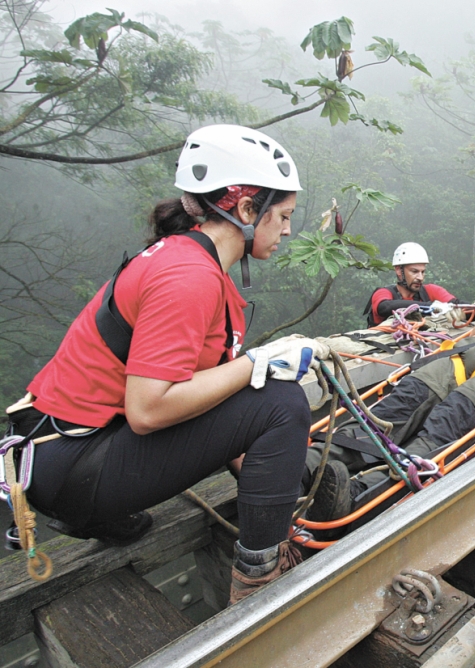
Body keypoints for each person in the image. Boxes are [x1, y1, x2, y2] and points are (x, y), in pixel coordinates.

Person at [6, 124, 333, 603]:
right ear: (246, 209)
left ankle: (101, 514)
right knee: (281, 400)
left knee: (250, 388)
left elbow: (206, 391)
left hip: (64, 451)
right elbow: (149, 410)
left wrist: (271, 481)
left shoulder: (190, 262)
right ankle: (262, 580)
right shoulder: (187, 277)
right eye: (282, 216)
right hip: (75, 463)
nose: (286, 229)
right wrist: (258, 363)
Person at [305, 287, 475, 521]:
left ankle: (360, 492)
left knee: (447, 424)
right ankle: (308, 464)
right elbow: (471, 333)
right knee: (399, 405)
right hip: (467, 352)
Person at [365, 243, 458, 326]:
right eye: (414, 271)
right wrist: (430, 307)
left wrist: (468, 308)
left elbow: (456, 304)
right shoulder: (383, 293)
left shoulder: (431, 291)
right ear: (398, 270)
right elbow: (385, 307)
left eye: (423, 272)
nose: (420, 277)